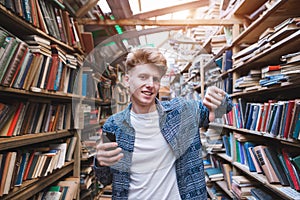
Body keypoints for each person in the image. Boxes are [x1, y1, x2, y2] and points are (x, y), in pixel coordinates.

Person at [94, 47, 233, 200]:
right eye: (143, 77)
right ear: (127, 80)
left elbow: (223, 108)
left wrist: (219, 98)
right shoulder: (113, 125)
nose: (150, 84)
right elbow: (105, 179)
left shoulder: (182, 112)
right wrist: (100, 162)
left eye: (155, 79)